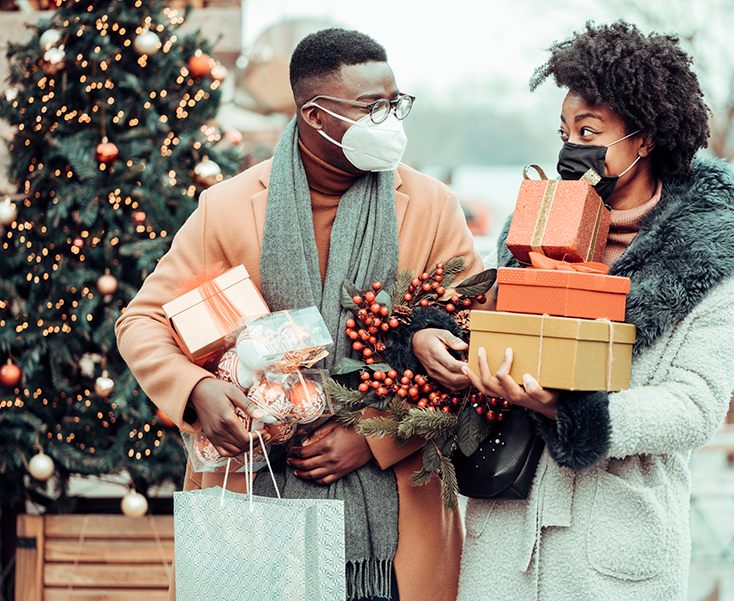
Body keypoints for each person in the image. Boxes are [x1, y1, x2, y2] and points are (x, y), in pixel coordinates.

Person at [115, 28, 481, 601]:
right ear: (314, 115)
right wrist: (196, 392)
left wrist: (374, 437)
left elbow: (470, 340)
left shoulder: (432, 207)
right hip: (256, 503)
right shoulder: (228, 207)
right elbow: (141, 322)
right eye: (372, 107)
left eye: (395, 103)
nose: (390, 121)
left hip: (392, 528)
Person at [457, 21, 734, 600]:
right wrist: (462, 348)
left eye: (589, 129)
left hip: (615, 542)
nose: (570, 145)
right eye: (565, 129)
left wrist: (575, 409)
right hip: (505, 539)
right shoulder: (530, 232)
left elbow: (696, 406)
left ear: (643, 139)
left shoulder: (705, 256)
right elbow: (488, 325)